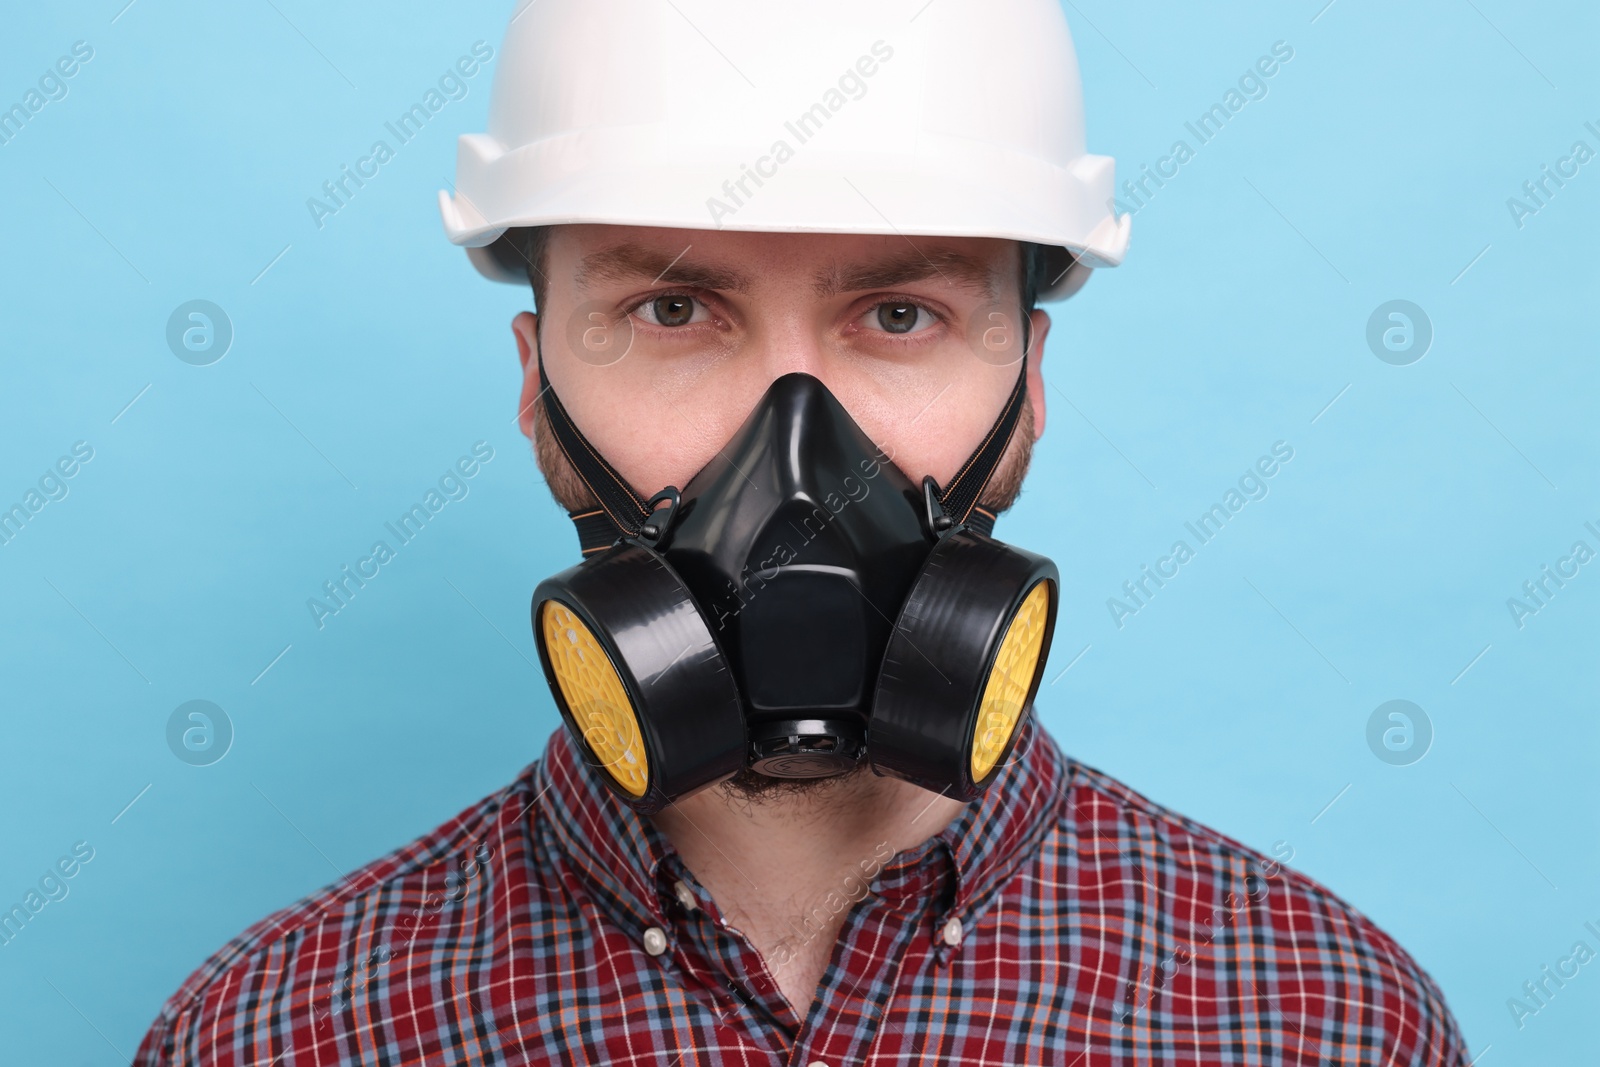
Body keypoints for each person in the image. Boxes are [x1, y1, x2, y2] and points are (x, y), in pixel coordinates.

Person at [136, 2, 1471, 1063]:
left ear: (1033, 388)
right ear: (539, 392)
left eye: (900, 315)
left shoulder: (1324, 1024)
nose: (795, 453)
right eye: (673, 313)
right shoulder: (271, 1034)